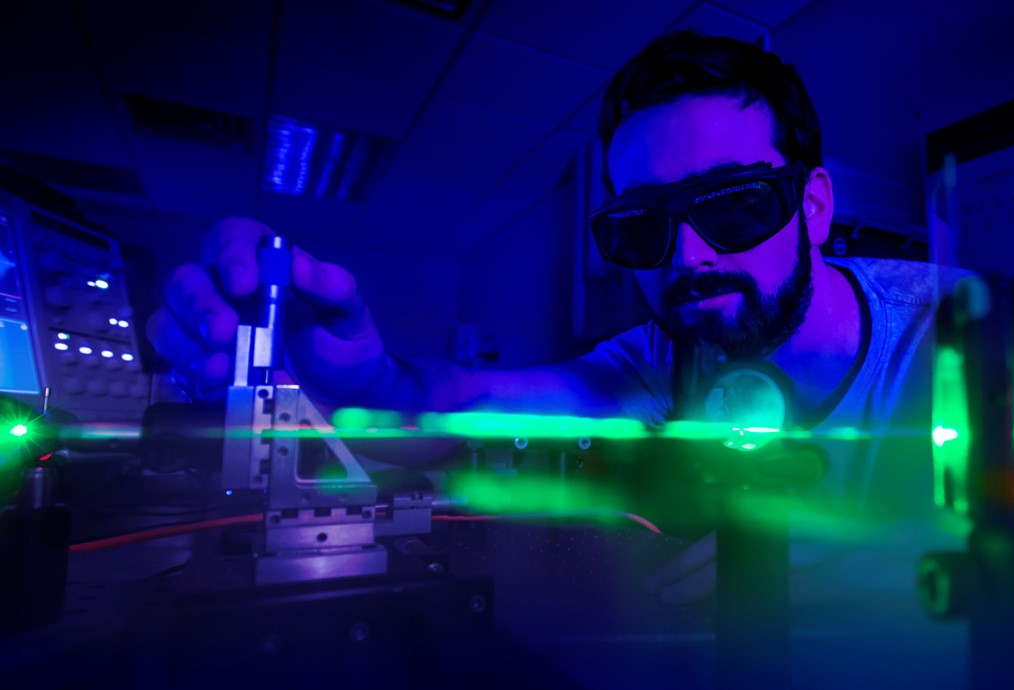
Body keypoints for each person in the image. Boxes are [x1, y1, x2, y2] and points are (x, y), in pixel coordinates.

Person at [147, 30, 966, 605]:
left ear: (812, 205)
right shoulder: (661, 357)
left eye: (735, 205)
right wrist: (363, 380)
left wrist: (882, 572)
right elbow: (465, 407)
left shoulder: (964, 330)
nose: (687, 257)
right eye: (643, 225)